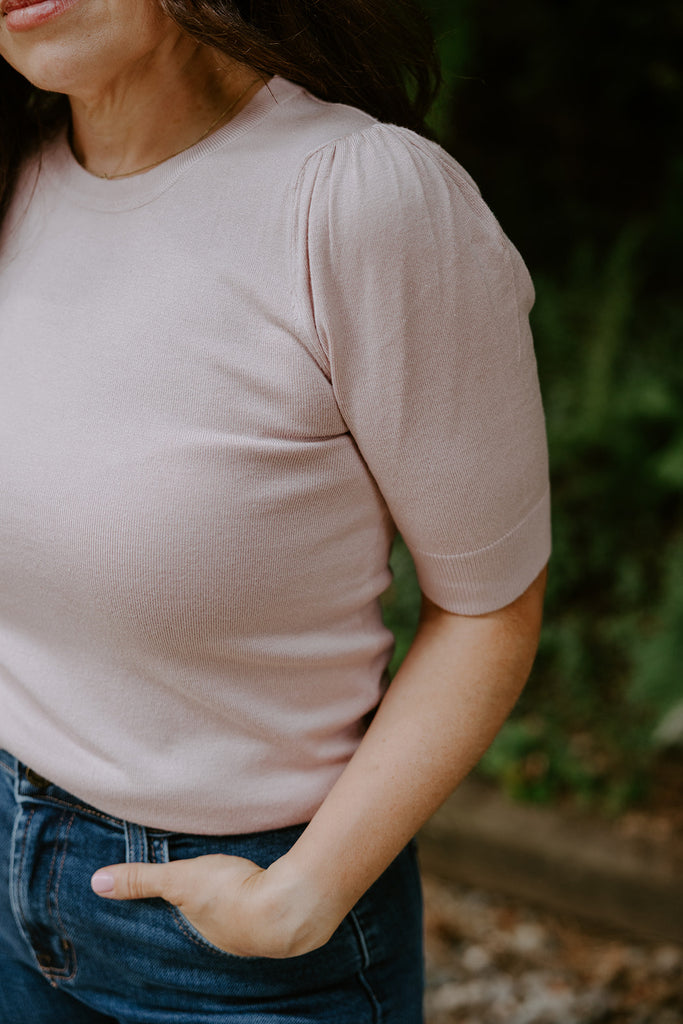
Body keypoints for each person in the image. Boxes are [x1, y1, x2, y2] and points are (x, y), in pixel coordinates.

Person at [0, 0, 550, 1021]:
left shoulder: (358, 199)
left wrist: (301, 894)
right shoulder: (16, 178)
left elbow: (488, 606)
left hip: (236, 942)